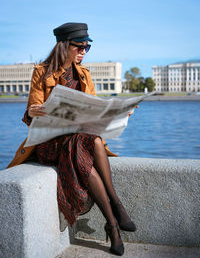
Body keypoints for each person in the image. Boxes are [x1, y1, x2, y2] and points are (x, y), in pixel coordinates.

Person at [7, 22, 137, 256]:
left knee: (94, 141)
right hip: (49, 143)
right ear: (63, 45)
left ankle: (113, 219)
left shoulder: (84, 74)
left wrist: (116, 112)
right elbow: (30, 115)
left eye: (87, 47)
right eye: (79, 47)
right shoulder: (41, 71)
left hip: (76, 140)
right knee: (82, 143)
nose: (83, 52)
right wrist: (32, 112)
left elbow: (94, 109)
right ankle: (114, 215)